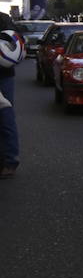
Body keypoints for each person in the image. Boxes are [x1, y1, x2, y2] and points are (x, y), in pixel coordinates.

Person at [0, 11, 19, 177]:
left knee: (5, 117)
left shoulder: (4, 19)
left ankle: (10, 161)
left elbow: (14, 44)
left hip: (3, 76)